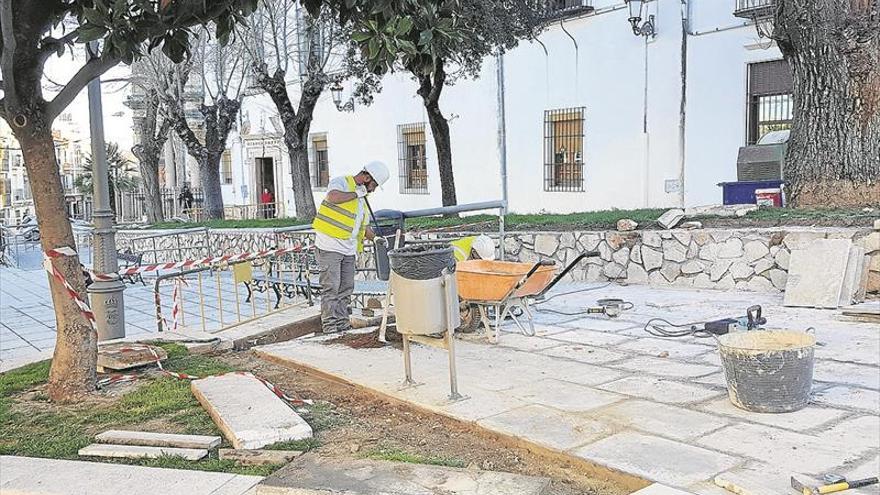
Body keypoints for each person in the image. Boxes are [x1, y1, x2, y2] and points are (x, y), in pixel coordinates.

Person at [312, 161, 390, 334]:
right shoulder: (342, 182)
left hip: (348, 249)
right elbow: (332, 197)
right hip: (329, 246)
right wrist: (356, 193)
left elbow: (363, 228)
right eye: (374, 185)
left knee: (346, 288)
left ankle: (342, 323)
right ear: (366, 177)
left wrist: (376, 238)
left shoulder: (362, 200)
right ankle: (330, 327)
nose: (373, 190)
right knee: (331, 288)